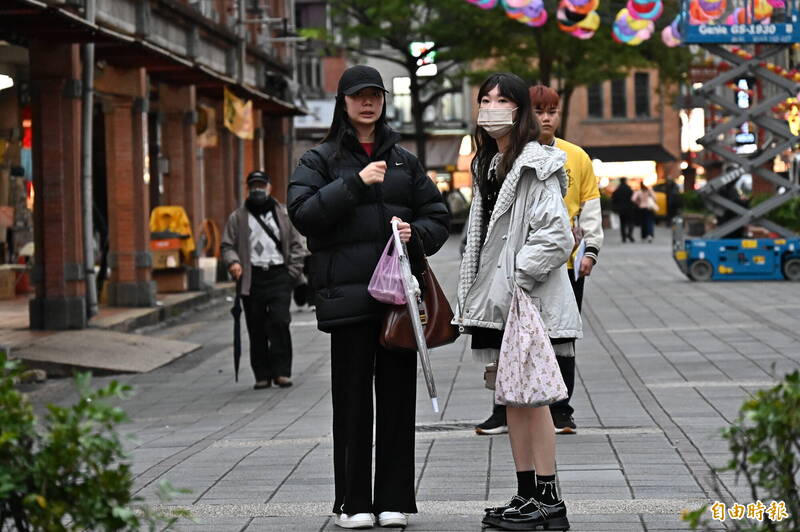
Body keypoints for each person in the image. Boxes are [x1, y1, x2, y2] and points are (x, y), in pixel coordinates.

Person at [287, 65, 449, 530]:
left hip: (398, 301)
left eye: (374, 95)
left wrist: (414, 232)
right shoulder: (318, 159)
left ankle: (394, 500)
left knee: (397, 402)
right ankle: (353, 503)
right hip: (348, 299)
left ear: (383, 101)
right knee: (352, 402)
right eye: (358, 95)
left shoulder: (403, 161)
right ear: (343, 102)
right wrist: (355, 183)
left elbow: (437, 216)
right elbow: (303, 214)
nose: (367, 103)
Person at [455, 72, 580, 531]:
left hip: (525, 299)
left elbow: (557, 236)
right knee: (512, 397)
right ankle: (526, 493)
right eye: (485, 99)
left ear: (519, 110)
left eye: (502, 100)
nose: (491, 108)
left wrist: (516, 277)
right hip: (500, 301)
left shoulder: (535, 163)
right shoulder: (489, 164)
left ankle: (549, 500)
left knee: (534, 398)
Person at [474, 85, 604, 436]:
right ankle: (504, 408)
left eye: (552, 111)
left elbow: (590, 206)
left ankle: (560, 408)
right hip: (514, 265)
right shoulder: (497, 157)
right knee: (508, 339)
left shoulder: (574, 156)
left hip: (562, 264)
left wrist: (591, 250)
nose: (546, 118)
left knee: (558, 338)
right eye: (539, 111)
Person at [221, 170, 308, 389]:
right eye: (254, 186)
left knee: (280, 321)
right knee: (256, 326)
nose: (257, 190)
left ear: (269, 188)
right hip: (252, 277)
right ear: (248, 189)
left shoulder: (283, 215)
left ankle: (282, 372)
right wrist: (233, 262)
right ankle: (262, 374)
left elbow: (297, 245)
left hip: (279, 275)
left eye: (261, 186)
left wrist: (292, 273)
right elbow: (227, 246)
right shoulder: (238, 217)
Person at [611, 177, 636, 242]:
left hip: (621, 209)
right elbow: (633, 198)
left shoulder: (618, 189)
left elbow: (613, 198)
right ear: (625, 181)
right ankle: (630, 234)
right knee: (631, 222)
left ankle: (623, 237)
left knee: (622, 223)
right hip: (629, 208)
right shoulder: (629, 189)